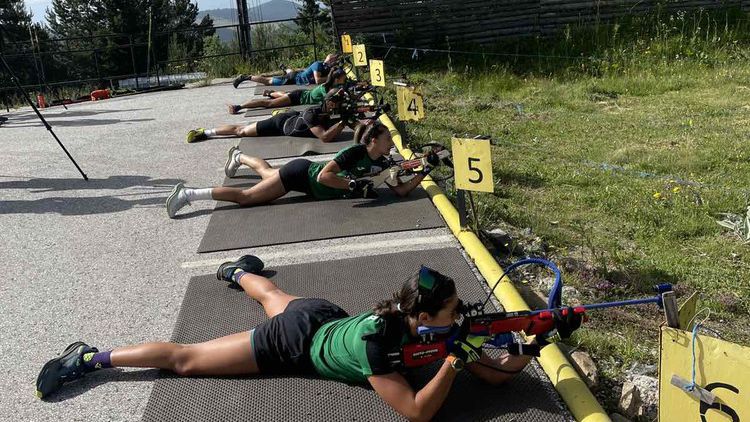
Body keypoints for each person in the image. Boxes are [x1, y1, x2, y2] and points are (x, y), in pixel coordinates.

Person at [35, 257, 583, 421]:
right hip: (296, 343)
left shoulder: (429, 325)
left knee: (273, 292)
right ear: (423, 319)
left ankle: (234, 272)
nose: (459, 319)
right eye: (451, 313)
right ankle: (89, 355)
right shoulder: (380, 349)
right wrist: (454, 363)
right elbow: (417, 412)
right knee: (186, 360)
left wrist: (534, 340)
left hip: (325, 314)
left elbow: (493, 369)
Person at [168, 121, 432, 218]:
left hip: (306, 183)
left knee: (267, 172)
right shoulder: (355, 153)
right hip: (302, 176)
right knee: (246, 197)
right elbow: (323, 176)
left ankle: (239, 157)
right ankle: (189, 194)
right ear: (373, 140)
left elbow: (401, 192)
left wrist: (424, 170)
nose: (391, 144)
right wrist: (353, 185)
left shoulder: (381, 162)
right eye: (388, 139)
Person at [186, 89, 353, 144]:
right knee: (241, 131)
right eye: (339, 104)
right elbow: (324, 137)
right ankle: (205, 132)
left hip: (293, 116)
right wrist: (342, 122)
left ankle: (279, 112)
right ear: (330, 103)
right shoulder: (313, 114)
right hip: (280, 124)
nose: (341, 107)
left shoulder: (329, 111)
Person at [227, 68, 347, 115]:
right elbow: (331, 101)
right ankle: (239, 106)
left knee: (284, 95)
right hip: (297, 97)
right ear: (337, 79)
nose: (345, 79)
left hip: (300, 94)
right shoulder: (326, 88)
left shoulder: (331, 86)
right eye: (343, 78)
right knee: (268, 104)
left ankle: (269, 93)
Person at [233, 54, 338, 88]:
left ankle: (284, 68)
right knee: (268, 81)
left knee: (291, 72)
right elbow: (318, 80)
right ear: (330, 59)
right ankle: (246, 77)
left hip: (296, 75)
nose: (335, 63)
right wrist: (332, 76)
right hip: (293, 79)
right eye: (334, 60)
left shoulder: (325, 67)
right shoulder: (318, 65)